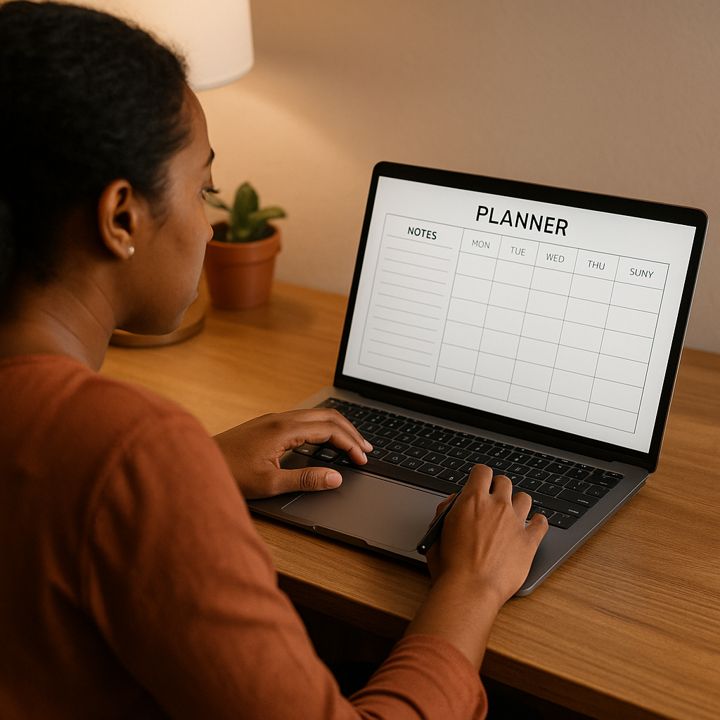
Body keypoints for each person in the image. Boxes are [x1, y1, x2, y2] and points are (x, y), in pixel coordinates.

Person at [0, 2, 548, 718]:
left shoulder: (109, 452)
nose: (206, 224)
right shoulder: (132, 452)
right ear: (121, 217)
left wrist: (193, 466)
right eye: (204, 188)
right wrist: (469, 588)